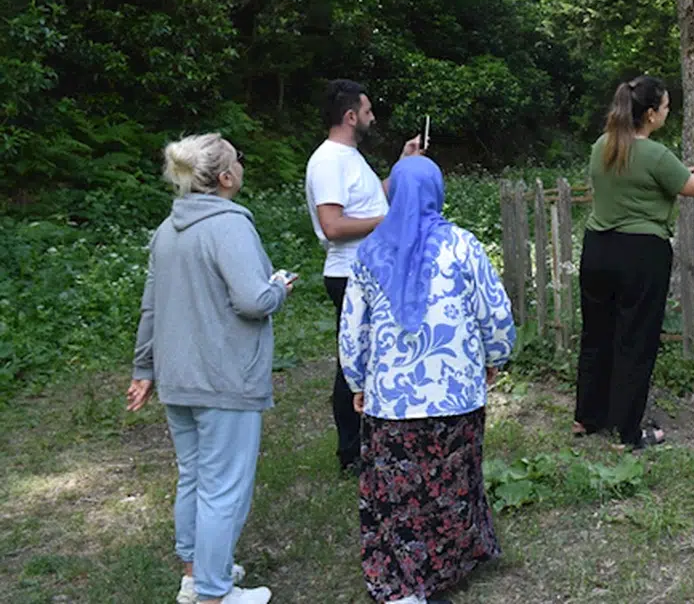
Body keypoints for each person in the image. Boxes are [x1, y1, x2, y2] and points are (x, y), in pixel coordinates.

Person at [339, 156, 515, 604]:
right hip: (455, 393)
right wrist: (495, 357)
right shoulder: (464, 246)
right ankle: (446, 566)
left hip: (390, 403)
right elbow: (494, 314)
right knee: (453, 483)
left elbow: (353, 327)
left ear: (392, 193)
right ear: (438, 191)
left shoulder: (370, 252)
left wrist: (357, 381)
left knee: (398, 491)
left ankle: (403, 581)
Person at [127, 133, 293, 604]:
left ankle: (194, 575)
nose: (243, 163)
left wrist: (144, 369)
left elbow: (151, 308)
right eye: (238, 159)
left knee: (194, 477)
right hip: (225, 377)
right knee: (224, 487)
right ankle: (215, 593)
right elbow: (253, 299)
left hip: (178, 378)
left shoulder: (167, 229)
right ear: (225, 177)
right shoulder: (230, 226)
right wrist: (280, 287)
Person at [572, 76, 694, 451]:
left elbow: (638, 175)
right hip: (640, 254)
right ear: (651, 114)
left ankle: (587, 416)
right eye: (666, 108)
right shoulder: (655, 155)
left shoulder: (601, 147)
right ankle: (627, 431)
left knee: (597, 334)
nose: (668, 113)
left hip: (597, 249)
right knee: (634, 339)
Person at [305, 79, 420, 473]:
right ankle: (351, 453)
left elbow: (372, 200)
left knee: (372, 357)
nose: (373, 117)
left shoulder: (351, 157)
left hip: (369, 270)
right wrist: (390, 222)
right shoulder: (328, 161)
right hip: (348, 273)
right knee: (351, 363)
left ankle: (373, 444)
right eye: (368, 111)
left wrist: (401, 167)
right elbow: (334, 225)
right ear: (350, 116)